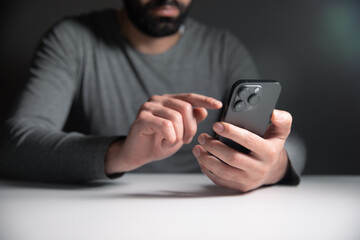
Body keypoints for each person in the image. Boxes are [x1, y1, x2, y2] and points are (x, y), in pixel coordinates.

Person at [0, 0, 304, 191]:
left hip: (208, 208)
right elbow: (15, 144)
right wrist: (120, 153)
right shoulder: (72, 39)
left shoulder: (223, 49)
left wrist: (274, 168)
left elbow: (281, 143)